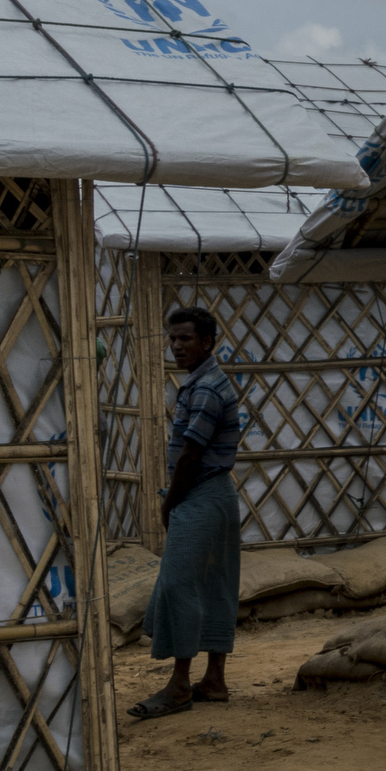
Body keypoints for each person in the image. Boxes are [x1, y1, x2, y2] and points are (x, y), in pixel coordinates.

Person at [130, 305, 247, 719]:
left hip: (199, 494)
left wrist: (169, 504)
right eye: (172, 338)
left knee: (180, 584)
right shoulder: (206, 382)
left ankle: (180, 685)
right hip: (216, 496)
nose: (176, 346)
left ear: (207, 342)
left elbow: (191, 457)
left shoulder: (206, 390)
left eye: (185, 339)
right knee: (215, 583)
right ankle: (213, 681)